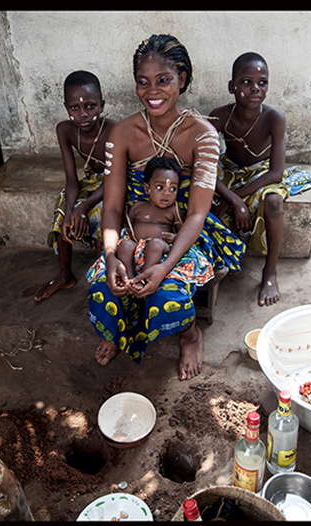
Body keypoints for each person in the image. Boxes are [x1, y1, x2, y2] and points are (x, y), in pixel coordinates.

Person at [85, 34, 245, 380]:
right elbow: (111, 209)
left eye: (163, 80)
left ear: (182, 80)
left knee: (165, 295)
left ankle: (190, 336)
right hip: (132, 233)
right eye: (143, 82)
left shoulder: (202, 134)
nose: (152, 91)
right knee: (105, 289)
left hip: (181, 234)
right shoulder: (122, 133)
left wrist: (164, 267)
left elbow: (197, 214)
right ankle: (117, 331)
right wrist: (111, 255)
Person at [207, 52, 311, 306]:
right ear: (232, 87)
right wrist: (232, 199)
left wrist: (235, 198)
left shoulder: (274, 118)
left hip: (262, 172)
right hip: (231, 169)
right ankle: (215, 261)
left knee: (273, 201)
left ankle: (270, 271)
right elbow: (204, 165)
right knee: (201, 191)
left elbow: (276, 174)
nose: (255, 88)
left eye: (262, 82)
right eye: (246, 82)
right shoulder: (219, 117)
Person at [35, 70, 113, 302]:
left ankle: (102, 280)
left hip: (115, 182)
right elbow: (71, 180)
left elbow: (114, 179)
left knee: (101, 213)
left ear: (102, 105)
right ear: (66, 108)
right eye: (74, 108)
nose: (83, 114)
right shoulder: (65, 130)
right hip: (91, 181)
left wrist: (83, 208)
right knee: (62, 208)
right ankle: (64, 275)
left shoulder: (114, 131)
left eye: (90, 106)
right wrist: (70, 211)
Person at [116, 156, 185, 281]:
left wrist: (175, 238)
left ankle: (145, 278)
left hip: (160, 249)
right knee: (125, 245)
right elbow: (126, 228)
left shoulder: (174, 210)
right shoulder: (137, 207)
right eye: (160, 187)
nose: (166, 193)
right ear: (147, 189)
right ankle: (129, 279)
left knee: (155, 244)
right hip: (137, 248)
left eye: (173, 189)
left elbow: (183, 233)